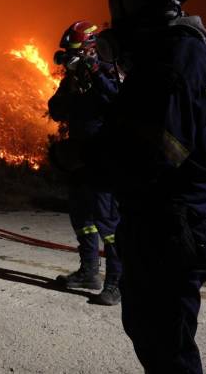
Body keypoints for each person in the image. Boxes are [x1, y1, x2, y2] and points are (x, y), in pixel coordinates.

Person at [81, 0, 206, 371]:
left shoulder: (172, 61)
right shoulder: (186, 50)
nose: (113, 8)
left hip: (171, 231)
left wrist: (87, 162)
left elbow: (153, 155)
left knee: (169, 352)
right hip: (180, 226)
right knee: (159, 341)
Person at [48, 21, 124, 306]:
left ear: (91, 49)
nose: (70, 57)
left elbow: (117, 100)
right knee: (82, 218)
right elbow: (56, 110)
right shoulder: (72, 79)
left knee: (108, 223)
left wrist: (94, 73)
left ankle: (116, 283)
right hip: (80, 158)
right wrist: (72, 84)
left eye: (74, 51)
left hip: (105, 158)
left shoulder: (109, 72)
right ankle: (89, 272)